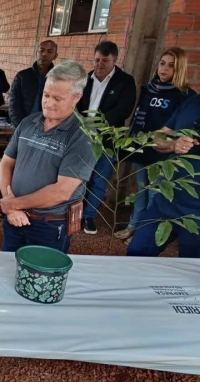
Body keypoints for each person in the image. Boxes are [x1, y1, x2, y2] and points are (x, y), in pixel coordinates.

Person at [0, 61, 96, 253]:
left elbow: (62, 191)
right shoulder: (29, 122)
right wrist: (10, 202)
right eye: (46, 95)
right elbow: (6, 163)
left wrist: (12, 204)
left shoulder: (83, 135)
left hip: (49, 225)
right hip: (14, 217)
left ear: (76, 98)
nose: (49, 103)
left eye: (57, 98)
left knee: (43, 270)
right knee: (8, 264)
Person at [115, 47, 196, 242]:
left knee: (155, 194)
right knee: (141, 191)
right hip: (144, 147)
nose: (164, 69)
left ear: (180, 69)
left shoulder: (185, 95)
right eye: (162, 63)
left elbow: (180, 127)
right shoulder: (149, 88)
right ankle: (133, 226)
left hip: (165, 153)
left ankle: (143, 234)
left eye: (171, 66)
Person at [126, 94, 200, 258]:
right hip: (165, 201)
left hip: (196, 212)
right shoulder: (192, 102)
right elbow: (158, 136)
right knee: (136, 253)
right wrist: (173, 144)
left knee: (190, 267)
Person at [77, 41, 137, 235]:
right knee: (78, 177)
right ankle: (73, 213)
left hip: (107, 140)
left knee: (100, 179)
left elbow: (124, 110)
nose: (99, 64)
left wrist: (98, 123)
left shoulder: (125, 82)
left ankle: (88, 216)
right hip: (82, 137)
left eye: (105, 60)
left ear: (115, 59)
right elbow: (76, 104)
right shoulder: (85, 79)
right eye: (97, 60)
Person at [9, 40, 58, 127]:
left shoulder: (58, 78)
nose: (44, 54)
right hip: (23, 124)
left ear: (55, 56)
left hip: (48, 127)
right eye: (41, 50)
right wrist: (20, 126)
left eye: (50, 52)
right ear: (36, 53)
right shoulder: (22, 76)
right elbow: (14, 105)